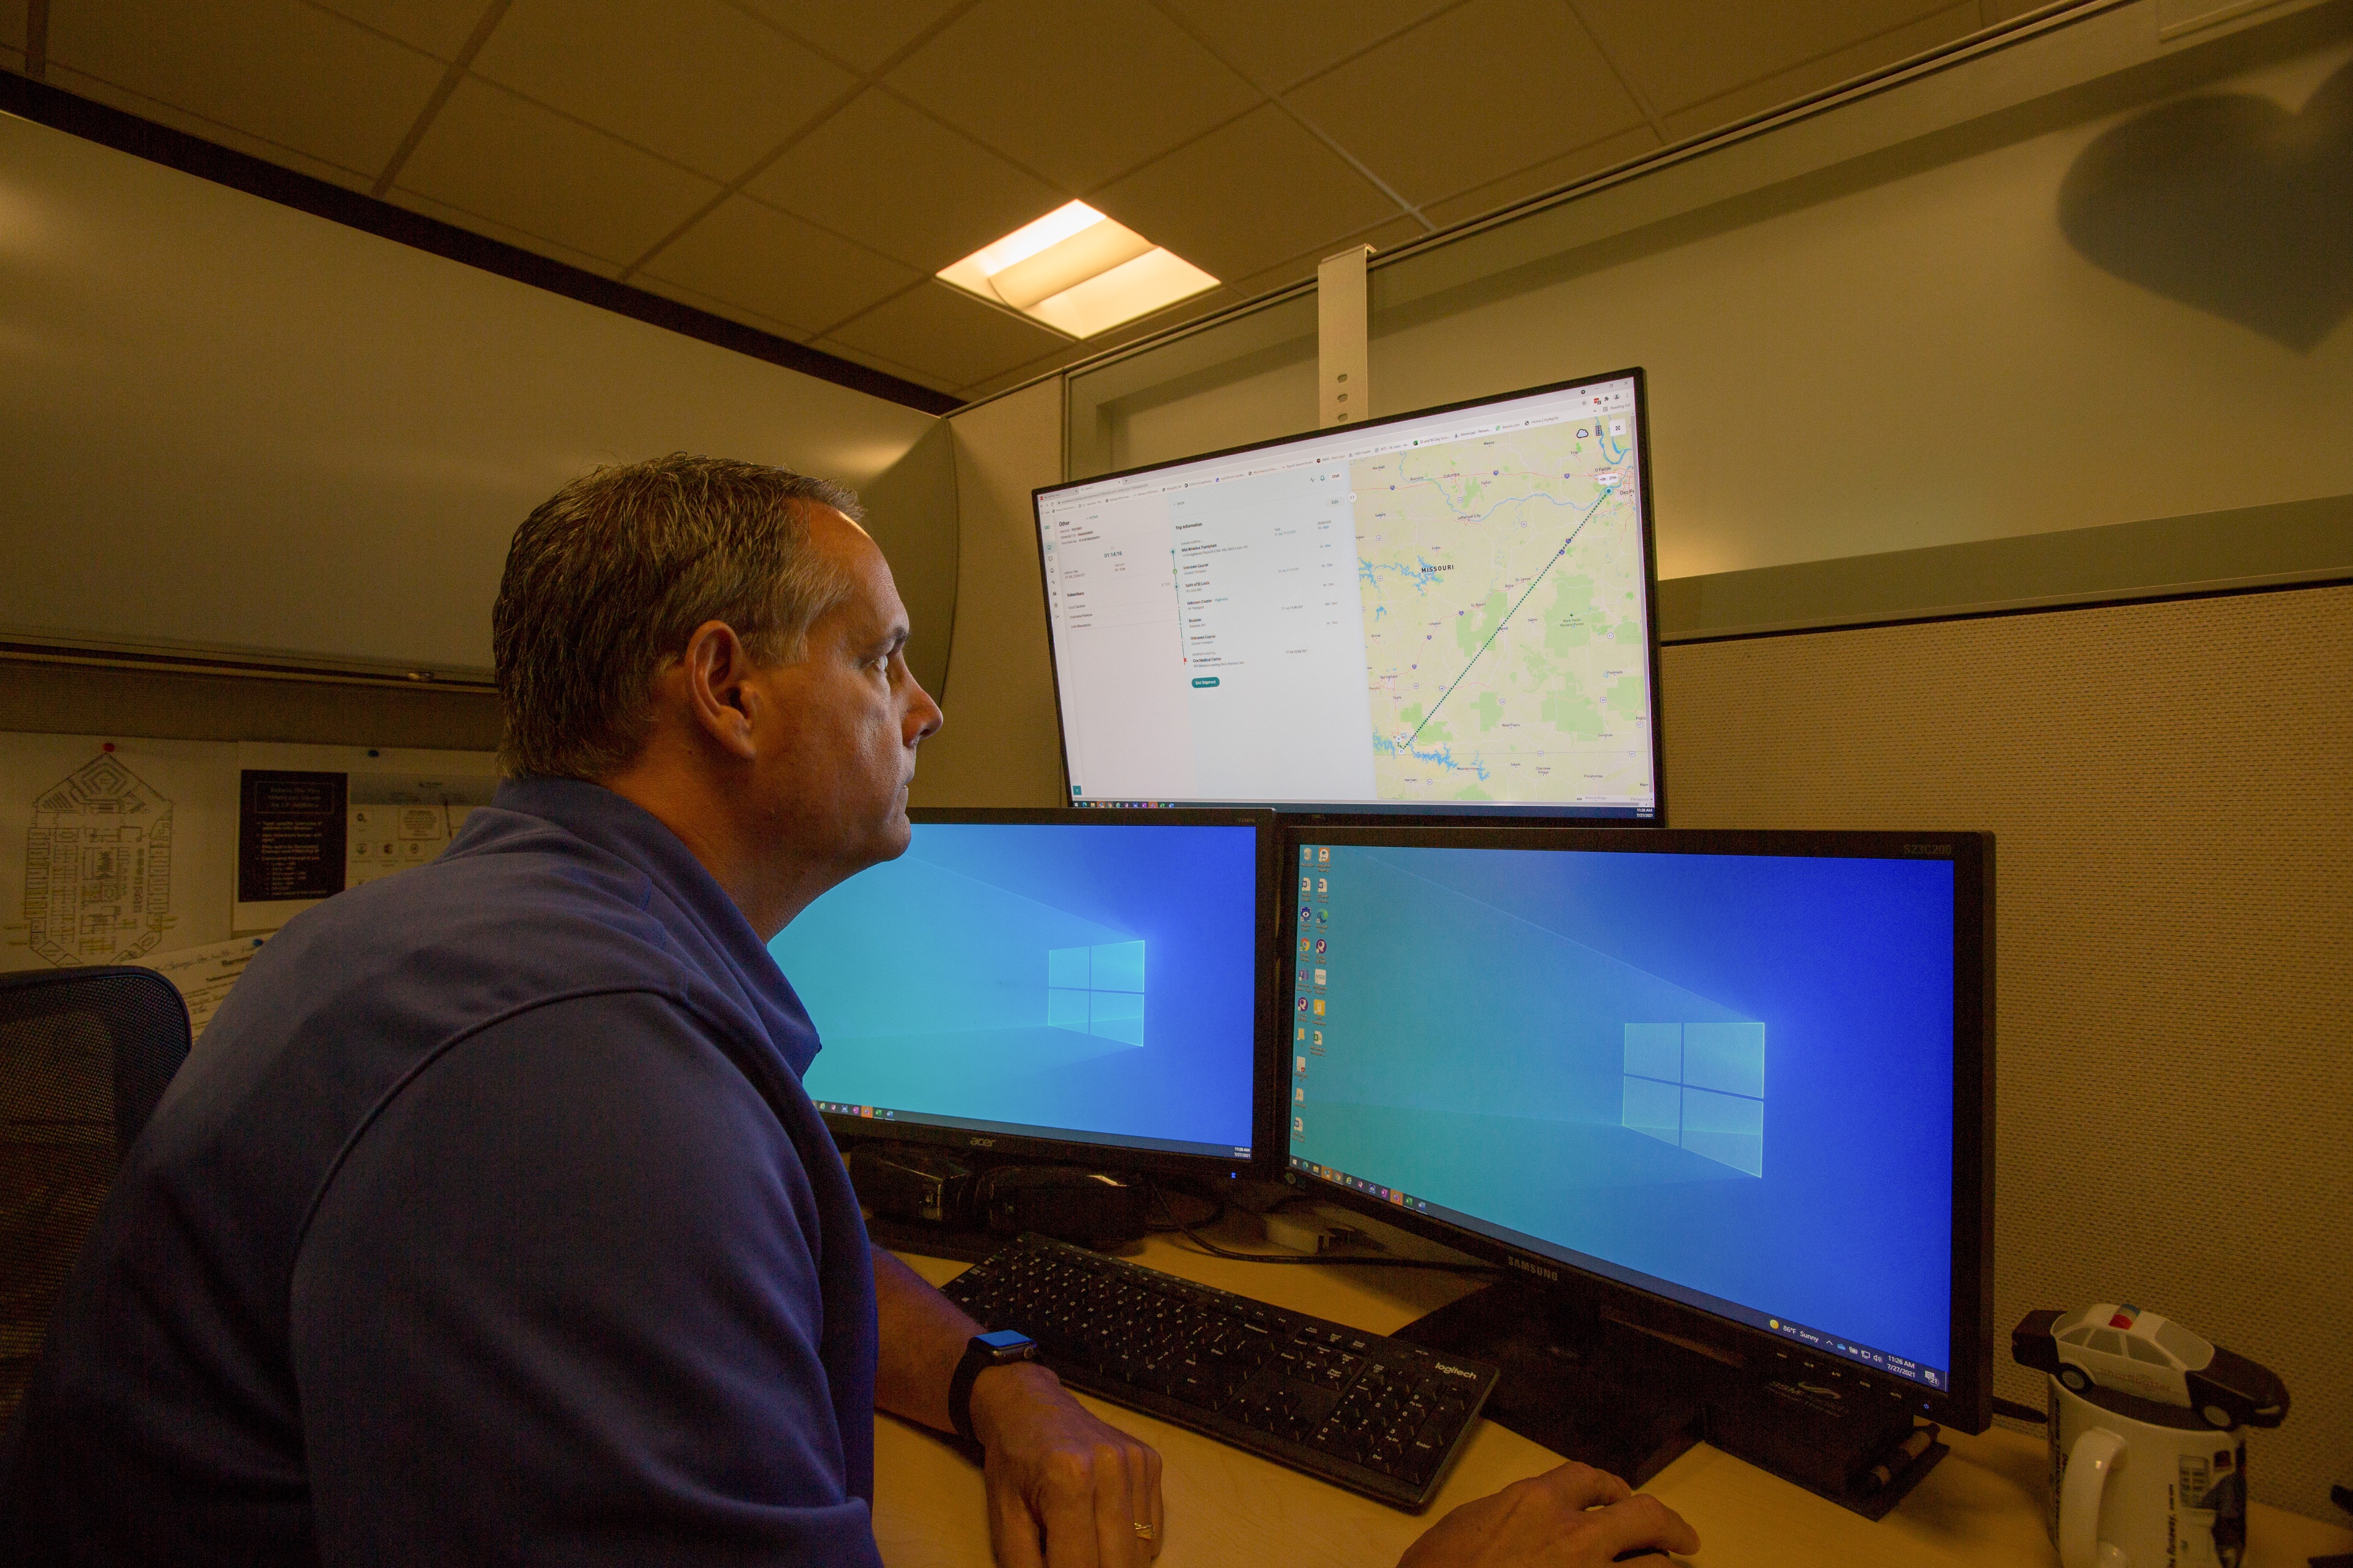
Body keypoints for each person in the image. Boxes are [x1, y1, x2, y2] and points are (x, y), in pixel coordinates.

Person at [0, 455, 1696, 1568]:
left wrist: (998, 1379)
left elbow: (788, 1255)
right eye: (883, 655)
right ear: (728, 684)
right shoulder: (568, 1072)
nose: (929, 704)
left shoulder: (514, 940)